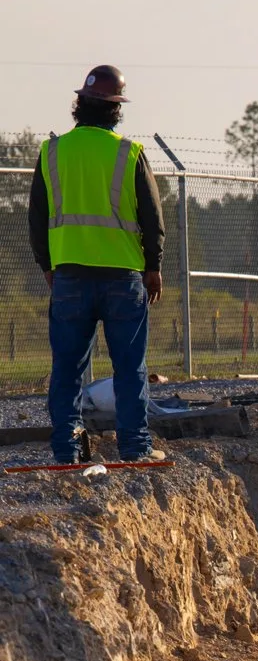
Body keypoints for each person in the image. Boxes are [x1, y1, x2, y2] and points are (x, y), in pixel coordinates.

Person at [28, 64, 167, 466]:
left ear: (80, 105)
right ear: (116, 109)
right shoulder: (130, 154)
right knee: (129, 368)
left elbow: (37, 217)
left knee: (68, 370)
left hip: (69, 275)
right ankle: (135, 449)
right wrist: (153, 267)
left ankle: (66, 450)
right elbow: (152, 219)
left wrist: (48, 266)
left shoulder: (52, 152)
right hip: (123, 276)